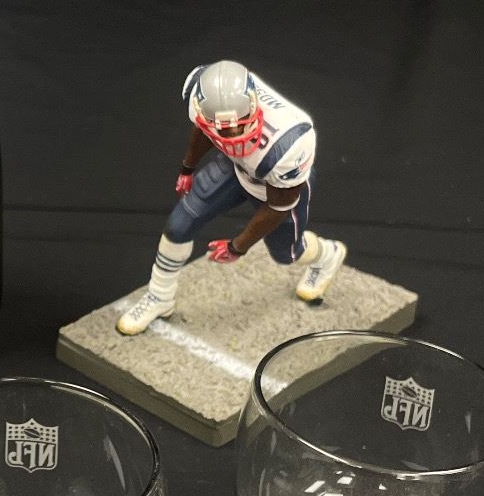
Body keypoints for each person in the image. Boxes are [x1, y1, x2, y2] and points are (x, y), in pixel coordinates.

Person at [116, 59, 346, 335]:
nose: (235, 136)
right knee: (179, 225)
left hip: (274, 187)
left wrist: (238, 246)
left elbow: (277, 207)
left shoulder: (290, 142)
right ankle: (159, 296)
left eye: (239, 127)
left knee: (288, 254)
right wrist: (188, 167)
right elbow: (203, 128)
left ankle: (327, 255)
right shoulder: (201, 94)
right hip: (236, 168)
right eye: (224, 130)